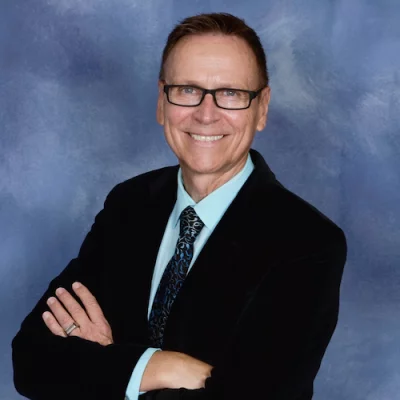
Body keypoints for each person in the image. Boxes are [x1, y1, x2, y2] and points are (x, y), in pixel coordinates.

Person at [12, 12, 347, 400]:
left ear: (262, 108)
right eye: (188, 90)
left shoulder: (307, 243)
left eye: (230, 93)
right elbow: (30, 361)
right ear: (162, 101)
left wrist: (109, 363)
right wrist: (161, 366)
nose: (206, 114)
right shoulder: (129, 205)